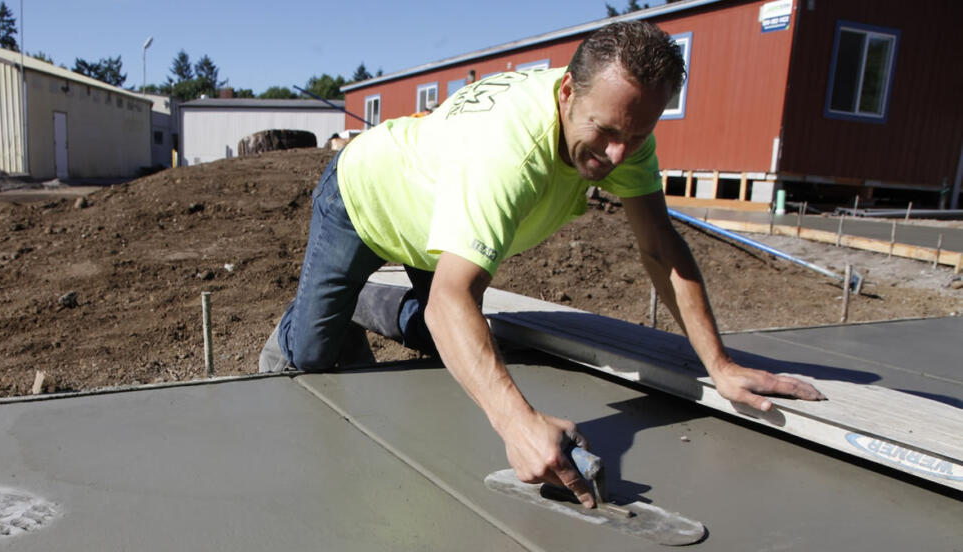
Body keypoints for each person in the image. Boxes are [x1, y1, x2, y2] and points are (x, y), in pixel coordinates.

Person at [260, 20, 824, 506]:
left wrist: (719, 365)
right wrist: (518, 425)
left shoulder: (619, 133)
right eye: (604, 132)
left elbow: (660, 248)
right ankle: (316, 312)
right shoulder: (508, 151)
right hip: (364, 198)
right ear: (565, 94)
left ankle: (359, 300)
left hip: (437, 218)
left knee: (453, 349)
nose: (619, 156)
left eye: (638, 135)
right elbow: (450, 302)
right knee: (312, 354)